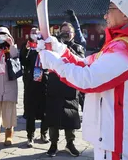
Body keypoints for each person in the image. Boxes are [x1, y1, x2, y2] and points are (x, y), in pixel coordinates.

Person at [37, 0, 128, 160]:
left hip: (118, 138)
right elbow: (85, 63)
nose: (105, 15)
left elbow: (89, 80)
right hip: (108, 135)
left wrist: (54, 63)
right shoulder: (118, 45)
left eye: (109, 9)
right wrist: (59, 49)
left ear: (125, 13)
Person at [45, 22, 84, 157]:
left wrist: (64, 47)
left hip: (70, 87)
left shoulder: (77, 47)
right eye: (64, 31)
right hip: (55, 85)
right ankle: (53, 143)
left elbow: (80, 61)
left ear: (74, 34)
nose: (66, 33)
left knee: (70, 117)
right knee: (53, 117)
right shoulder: (54, 47)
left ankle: (70, 143)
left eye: (69, 31)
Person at [20, 27, 49, 148]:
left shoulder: (45, 46)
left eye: (37, 32)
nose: (35, 34)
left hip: (44, 82)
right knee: (30, 111)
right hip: (31, 83)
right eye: (32, 32)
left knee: (45, 111)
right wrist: (26, 49)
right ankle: (30, 136)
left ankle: (44, 133)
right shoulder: (27, 47)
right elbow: (23, 61)